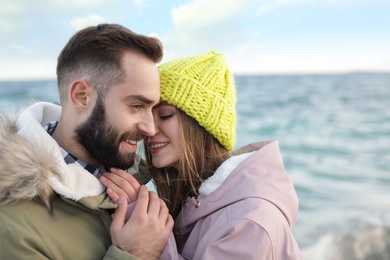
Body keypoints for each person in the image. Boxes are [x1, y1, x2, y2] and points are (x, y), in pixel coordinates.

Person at [102, 51, 303, 259]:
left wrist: (148, 247)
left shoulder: (250, 224)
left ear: (202, 126)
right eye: (144, 112)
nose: (150, 129)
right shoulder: (195, 199)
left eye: (165, 115)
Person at [0, 23, 173, 259]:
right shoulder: (11, 226)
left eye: (152, 108)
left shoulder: (136, 185)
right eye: (136, 106)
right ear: (82, 97)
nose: (150, 129)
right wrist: (135, 254)